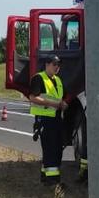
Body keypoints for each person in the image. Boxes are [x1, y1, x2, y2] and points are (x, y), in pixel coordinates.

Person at [29, 55, 67, 185]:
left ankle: (46, 176)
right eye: (54, 64)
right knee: (50, 149)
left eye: (58, 65)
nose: (57, 67)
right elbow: (33, 98)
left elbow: (60, 97)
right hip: (45, 119)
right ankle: (52, 181)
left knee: (56, 148)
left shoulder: (58, 80)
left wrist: (63, 103)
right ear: (47, 64)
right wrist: (54, 104)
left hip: (56, 119)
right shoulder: (39, 78)